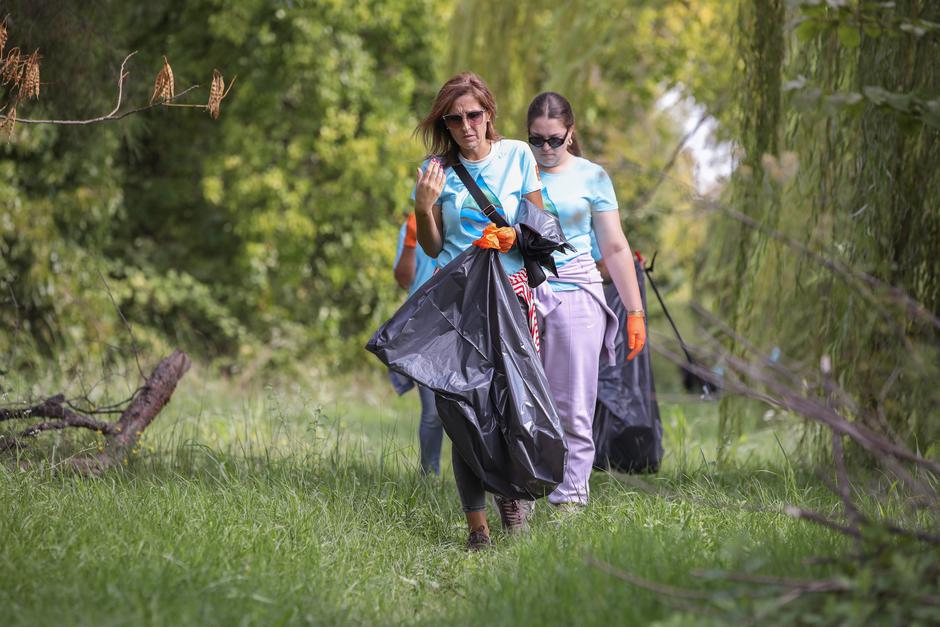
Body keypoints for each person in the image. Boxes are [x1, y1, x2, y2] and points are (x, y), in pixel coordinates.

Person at [413, 72, 545, 550]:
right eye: (455, 119)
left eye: (473, 115)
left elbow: (539, 220)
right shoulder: (435, 170)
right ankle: (477, 529)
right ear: (445, 125)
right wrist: (423, 207)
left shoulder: (518, 156)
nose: (466, 125)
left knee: (512, 405)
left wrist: (515, 235)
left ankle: (514, 501)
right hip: (456, 301)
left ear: (488, 113)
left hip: (509, 295)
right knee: (460, 408)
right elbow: (432, 244)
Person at [526, 91, 647, 510]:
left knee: (573, 404)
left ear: (570, 134)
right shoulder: (515, 169)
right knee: (522, 403)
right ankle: (520, 496)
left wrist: (634, 311)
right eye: (536, 140)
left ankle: (569, 502)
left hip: (577, 292)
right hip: (522, 290)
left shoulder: (592, 177)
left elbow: (614, 247)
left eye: (554, 140)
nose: (545, 149)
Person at [392, 212, 442, 475]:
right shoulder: (411, 224)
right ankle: (429, 476)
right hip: (422, 323)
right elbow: (402, 279)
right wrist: (411, 240)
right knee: (433, 411)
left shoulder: (464, 214)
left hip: (461, 316)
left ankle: (478, 482)